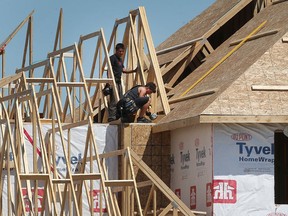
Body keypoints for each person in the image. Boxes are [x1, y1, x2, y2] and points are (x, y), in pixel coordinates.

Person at [107, 43, 137, 122]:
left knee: (120, 99)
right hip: (114, 81)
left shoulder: (120, 60)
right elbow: (109, 69)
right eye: (120, 51)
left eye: (122, 52)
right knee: (113, 99)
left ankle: (117, 116)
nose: (121, 53)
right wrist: (110, 81)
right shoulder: (112, 58)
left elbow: (123, 70)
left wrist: (133, 70)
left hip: (119, 81)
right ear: (116, 51)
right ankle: (111, 117)